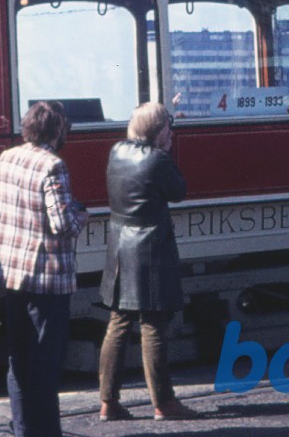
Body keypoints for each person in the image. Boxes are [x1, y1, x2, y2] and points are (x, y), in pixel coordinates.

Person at [0, 101, 87, 437]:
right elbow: (63, 224)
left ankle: (24, 430)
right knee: (45, 359)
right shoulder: (53, 165)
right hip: (47, 276)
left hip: (12, 273)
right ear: (56, 130)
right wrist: (80, 215)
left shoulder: (6, 157)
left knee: (19, 357)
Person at [97, 102, 199, 422]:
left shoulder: (116, 152)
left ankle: (107, 402)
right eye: (167, 128)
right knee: (153, 325)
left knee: (118, 322)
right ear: (157, 131)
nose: (170, 133)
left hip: (119, 248)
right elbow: (179, 191)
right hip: (150, 251)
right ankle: (163, 403)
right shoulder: (157, 160)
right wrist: (167, 150)